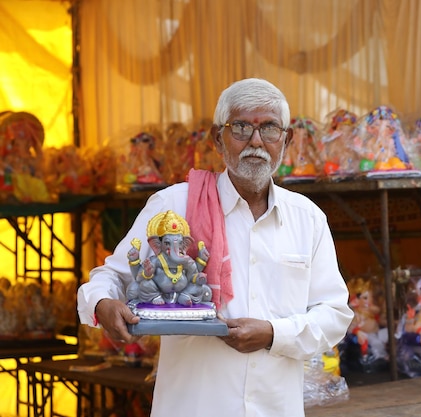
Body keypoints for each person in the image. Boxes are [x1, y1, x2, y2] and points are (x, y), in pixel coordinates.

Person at [77, 78, 354, 417]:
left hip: (275, 407)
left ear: (287, 139)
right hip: (192, 406)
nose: (256, 142)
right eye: (240, 127)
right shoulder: (174, 206)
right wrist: (103, 303)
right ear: (217, 139)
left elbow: (334, 314)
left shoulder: (307, 218)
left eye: (269, 128)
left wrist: (272, 334)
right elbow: (112, 276)